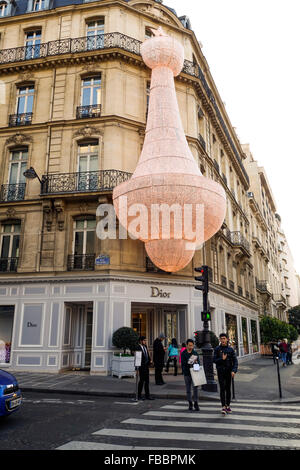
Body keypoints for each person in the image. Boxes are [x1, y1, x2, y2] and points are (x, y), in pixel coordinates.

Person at [213, 333, 238, 415]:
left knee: (228, 389)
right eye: (221, 338)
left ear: (227, 339)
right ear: (220, 340)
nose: (223, 340)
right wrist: (222, 359)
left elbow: (235, 361)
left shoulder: (230, 350)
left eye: (224, 338)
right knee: (222, 388)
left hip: (228, 371)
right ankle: (223, 406)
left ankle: (228, 405)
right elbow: (214, 360)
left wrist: (234, 370)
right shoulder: (217, 349)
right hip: (220, 372)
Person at [181, 338, 200, 411]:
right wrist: (190, 362)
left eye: (192, 345)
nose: (191, 347)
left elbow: (198, 363)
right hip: (187, 373)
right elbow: (183, 363)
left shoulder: (195, 353)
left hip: (194, 373)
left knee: (195, 389)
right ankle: (190, 403)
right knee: (188, 389)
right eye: (189, 345)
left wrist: (196, 363)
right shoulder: (184, 353)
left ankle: (196, 402)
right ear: (186, 345)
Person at [136, 336, 154, 400]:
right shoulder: (138, 347)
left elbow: (147, 355)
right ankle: (139, 396)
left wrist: (150, 361)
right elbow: (137, 358)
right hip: (141, 367)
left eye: (145, 340)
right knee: (141, 381)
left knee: (147, 381)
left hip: (146, 367)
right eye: (144, 340)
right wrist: (136, 368)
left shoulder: (145, 347)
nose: (145, 342)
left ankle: (147, 395)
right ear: (140, 341)